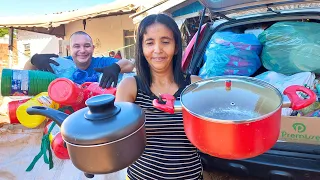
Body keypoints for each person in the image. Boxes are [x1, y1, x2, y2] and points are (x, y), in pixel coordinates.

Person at [115, 14, 203, 180]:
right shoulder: (129, 87)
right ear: (141, 48)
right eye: (149, 42)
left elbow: (209, 135)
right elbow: (117, 137)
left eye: (165, 41)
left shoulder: (195, 85)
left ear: (176, 46)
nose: (157, 49)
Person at [23, 31, 134, 88]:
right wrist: (33, 60)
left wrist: (116, 67)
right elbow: (25, 77)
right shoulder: (59, 65)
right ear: (69, 48)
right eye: (76, 46)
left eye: (87, 46)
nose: (82, 50)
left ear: (93, 48)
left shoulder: (102, 63)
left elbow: (130, 64)